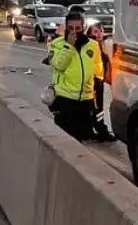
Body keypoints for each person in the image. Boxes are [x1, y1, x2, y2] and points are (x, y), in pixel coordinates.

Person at [48, 10, 97, 141]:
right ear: (66, 28)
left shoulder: (93, 45)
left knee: (82, 140)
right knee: (65, 141)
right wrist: (69, 46)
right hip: (65, 99)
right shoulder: (57, 44)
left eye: (78, 28)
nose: (74, 32)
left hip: (86, 100)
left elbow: (97, 69)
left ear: (83, 28)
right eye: (70, 28)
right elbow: (59, 65)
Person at [86, 23, 114, 142]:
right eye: (96, 31)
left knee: (98, 107)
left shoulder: (102, 46)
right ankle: (99, 131)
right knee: (95, 107)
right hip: (91, 82)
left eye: (101, 31)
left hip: (99, 82)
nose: (99, 34)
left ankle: (97, 129)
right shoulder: (90, 47)